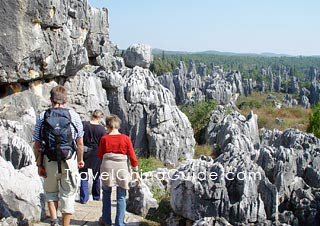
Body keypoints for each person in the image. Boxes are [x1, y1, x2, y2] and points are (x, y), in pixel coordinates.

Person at [33, 85, 84, 226]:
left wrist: (39, 164)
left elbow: (37, 143)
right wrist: (80, 160)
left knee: (50, 193)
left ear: (50, 99)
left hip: (49, 160)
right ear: (66, 100)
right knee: (68, 194)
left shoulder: (43, 116)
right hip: (69, 160)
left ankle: (54, 221)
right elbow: (80, 143)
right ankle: (65, 224)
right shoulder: (73, 116)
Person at [98, 114, 139, 226]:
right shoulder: (125, 138)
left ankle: (106, 220)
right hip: (121, 167)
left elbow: (100, 154)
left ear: (107, 125)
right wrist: (135, 171)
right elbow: (132, 156)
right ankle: (119, 223)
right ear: (118, 126)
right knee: (121, 195)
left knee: (106, 193)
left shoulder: (104, 139)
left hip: (107, 166)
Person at [79, 110, 106, 204]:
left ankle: (83, 198)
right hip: (97, 153)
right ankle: (96, 196)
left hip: (85, 151)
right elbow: (103, 143)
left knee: (83, 174)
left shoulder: (84, 125)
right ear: (100, 117)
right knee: (97, 175)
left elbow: (79, 138)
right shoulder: (102, 129)